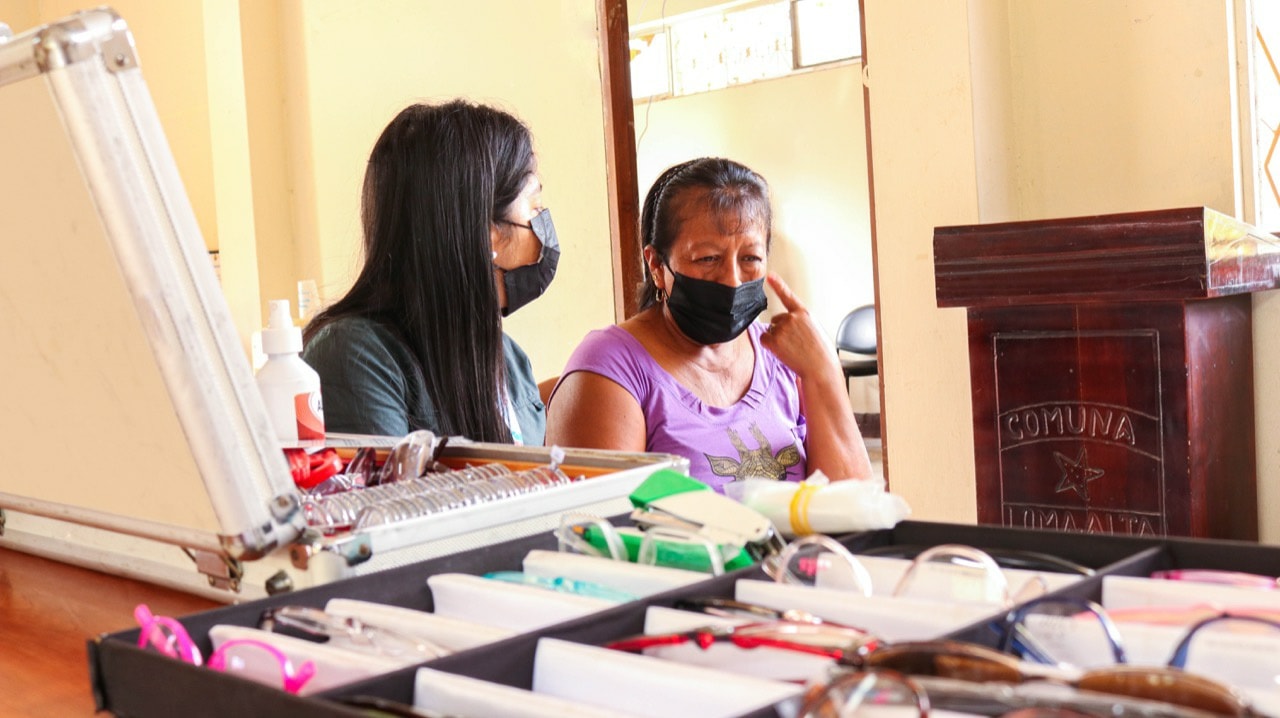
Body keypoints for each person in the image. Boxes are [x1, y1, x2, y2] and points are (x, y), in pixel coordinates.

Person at [545, 157, 871, 492]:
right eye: (708, 258)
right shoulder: (613, 366)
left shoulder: (786, 357)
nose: (732, 280)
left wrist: (823, 372)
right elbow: (598, 520)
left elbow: (854, 505)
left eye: (750, 258)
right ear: (656, 265)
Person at [302, 100, 558, 443]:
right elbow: (389, 481)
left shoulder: (509, 360)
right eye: (535, 206)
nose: (543, 226)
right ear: (486, 233)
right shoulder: (355, 357)